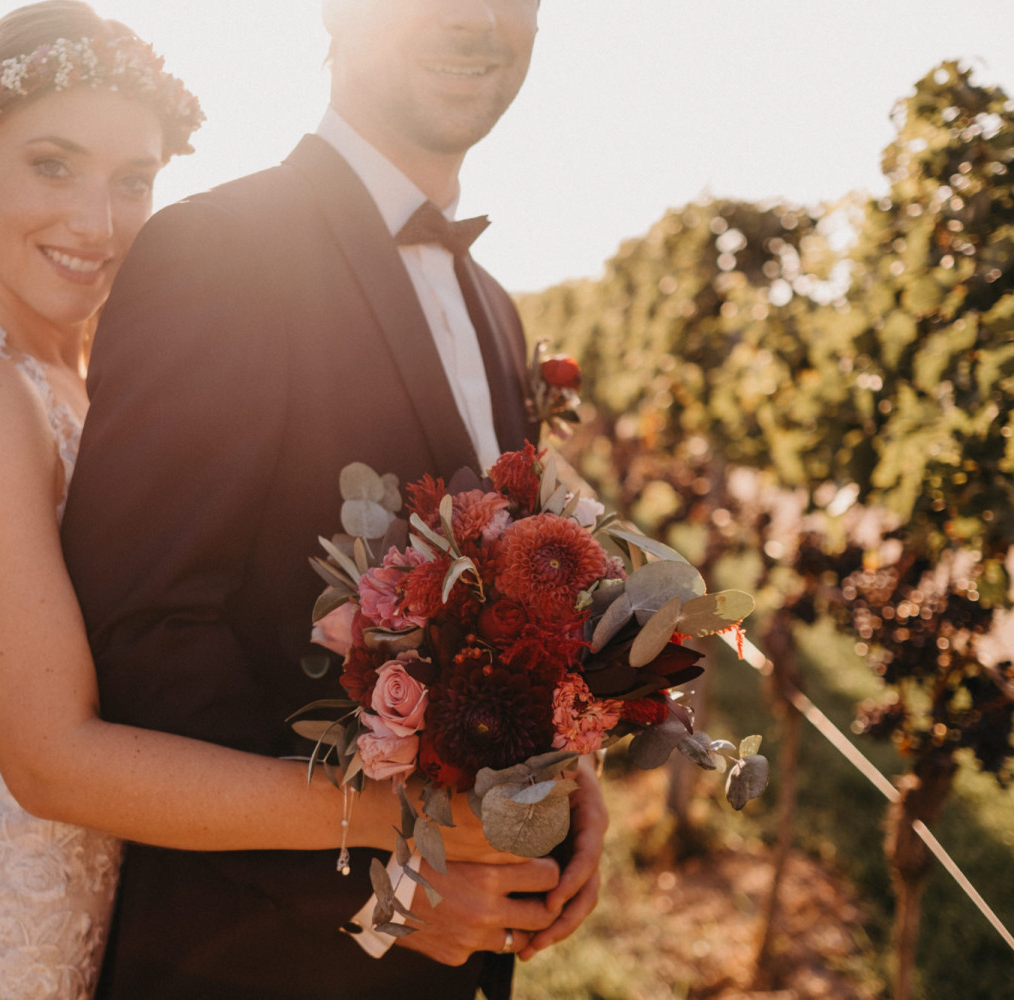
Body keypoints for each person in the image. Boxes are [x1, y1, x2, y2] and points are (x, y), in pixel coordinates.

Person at [0, 5, 520, 1000]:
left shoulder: (69, 375)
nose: (96, 221)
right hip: (0, 946)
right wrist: (390, 811)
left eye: (132, 180)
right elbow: (53, 762)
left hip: (127, 919)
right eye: (52, 165)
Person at [61, 1, 609, 998]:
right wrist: (380, 882)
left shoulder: (493, 304)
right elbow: (143, 636)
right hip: (253, 962)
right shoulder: (213, 249)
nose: (478, 19)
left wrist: (563, 778)